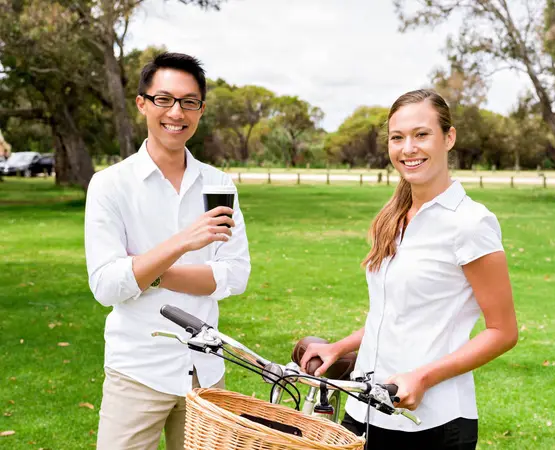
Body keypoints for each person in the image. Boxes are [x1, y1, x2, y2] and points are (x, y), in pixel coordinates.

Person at [301, 89, 517, 449]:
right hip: (363, 408)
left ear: (448, 138)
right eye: (397, 138)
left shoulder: (471, 223)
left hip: (431, 423)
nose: (408, 148)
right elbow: (394, 315)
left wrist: (423, 377)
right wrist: (339, 347)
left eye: (421, 135)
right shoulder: (394, 217)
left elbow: (502, 331)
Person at [84, 52, 251, 450]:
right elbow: (106, 286)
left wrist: (145, 271)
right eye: (164, 99)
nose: (176, 112)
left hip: (205, 372)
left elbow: (234, 276)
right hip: (137, 371)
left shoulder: (218, 183)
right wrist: (183, 243)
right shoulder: (110, 185)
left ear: (201, 110)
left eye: (188, 102)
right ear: (142, 103)